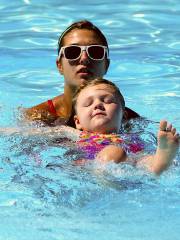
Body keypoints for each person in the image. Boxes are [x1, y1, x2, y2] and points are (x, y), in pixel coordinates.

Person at [24, 20, 139, 126]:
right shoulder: (37, 118)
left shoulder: (127, 119)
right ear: (59, 65)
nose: (84, 58)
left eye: (95, 51)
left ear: (106, 65)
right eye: (73, 52)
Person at [70, 78, 179, 175]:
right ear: (77, 121)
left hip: (133, 158)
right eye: (88, 103)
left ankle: (161, 161)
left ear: (123, 115)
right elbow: (54, 133)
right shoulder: (76, 134)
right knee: (114, 152)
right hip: (90, 165)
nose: (98, 104)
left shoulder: (131, 137)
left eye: (107, 101)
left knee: (145, 160)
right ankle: (106, 180)